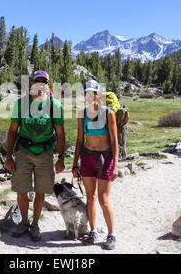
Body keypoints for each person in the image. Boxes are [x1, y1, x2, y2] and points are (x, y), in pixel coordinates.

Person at [5, 71, 66, 242]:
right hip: (24, 151)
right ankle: (24, 222)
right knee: (21, 190)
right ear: (31, 83)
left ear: (48, 85)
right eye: (37, 82)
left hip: (45, 153)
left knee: (41, 190)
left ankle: (35, 224)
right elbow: (12, 131)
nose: (40, 85)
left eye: (43, 82)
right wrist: (9, 157)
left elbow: (60, 134)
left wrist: (61, 158)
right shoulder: (21, 104)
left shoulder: (55, 106)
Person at [72, 80, 119, 250]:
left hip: (105, 159)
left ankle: (111, 234)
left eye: (94, 93)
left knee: (103, 199)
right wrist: (74, 163)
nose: (91, 96)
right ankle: (93, 231)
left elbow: (114, 141)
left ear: (99, 95)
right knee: (90, 198)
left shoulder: (108, 113)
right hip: (87, 158)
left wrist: (115, 165)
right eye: (88, 93)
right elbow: (79, 140)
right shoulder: (82, 114)